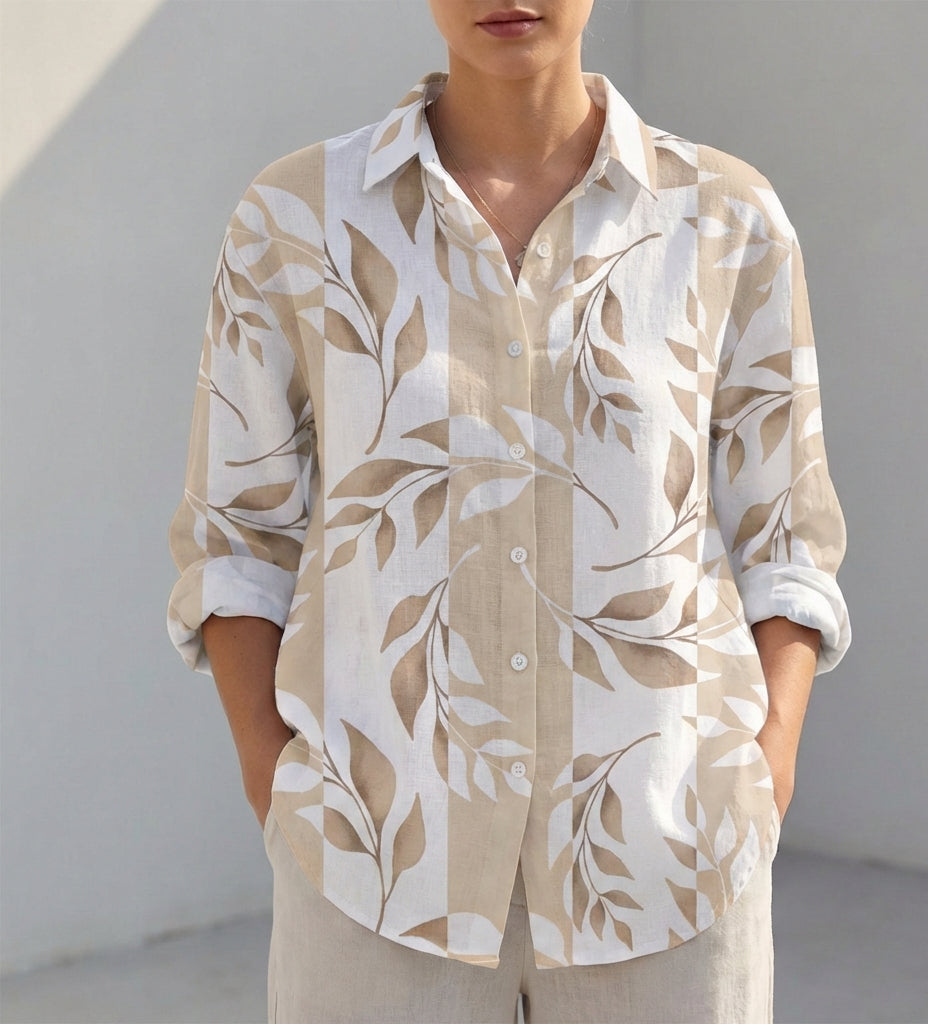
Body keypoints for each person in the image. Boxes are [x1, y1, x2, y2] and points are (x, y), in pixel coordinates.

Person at [168, 2, 850, 1020]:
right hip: (375, 867)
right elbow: (237, 532)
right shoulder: (297, 218)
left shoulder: (725, 218)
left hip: (672, 861)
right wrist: (274, 780)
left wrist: (770, 759)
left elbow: (786, 530)